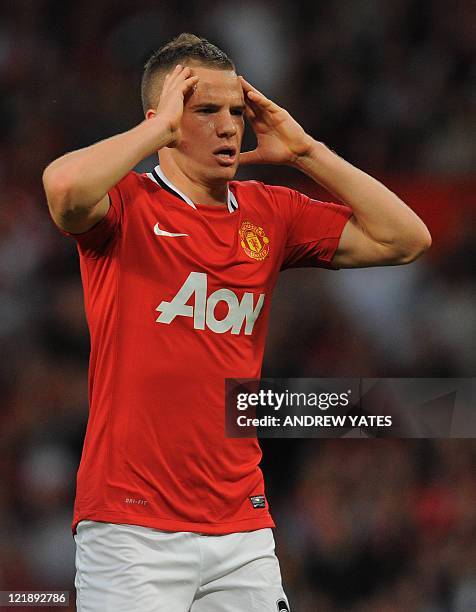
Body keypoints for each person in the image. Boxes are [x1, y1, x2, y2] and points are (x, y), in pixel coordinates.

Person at [42, 33, 431, 612]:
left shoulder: (269, 212)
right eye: (205, 111)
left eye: (236, 111)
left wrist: (305, 152)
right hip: (131, 530)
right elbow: (64, 187)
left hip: (241, 532)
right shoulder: (125, 205)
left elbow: (406, 238)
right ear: (166, 119)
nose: (229, 127)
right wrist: (155, 132)